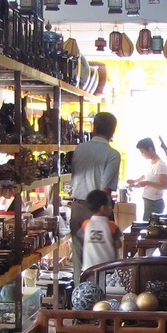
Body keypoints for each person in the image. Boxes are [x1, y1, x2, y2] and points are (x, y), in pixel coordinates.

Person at [69, 112, 121, 282]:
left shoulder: (79, 148)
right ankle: (100, 294)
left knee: (79, 259)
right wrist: (106, 214)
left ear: (93, 128)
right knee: (102, 258)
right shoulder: (112, 154)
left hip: (77, 208)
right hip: (97, 210)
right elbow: (105, 189)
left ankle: (79, 293)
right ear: (113, 131)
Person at [76, 189, 121, 275]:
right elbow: (118, 244)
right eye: (109, 205)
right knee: (106, 284)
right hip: (107, 267)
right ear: (103, 208)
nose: (111, 208)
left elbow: (81, 239)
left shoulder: (85, 224)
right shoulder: (112, 226)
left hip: (89, 268)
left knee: (91, 283)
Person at [127, 137, 167, 221]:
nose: (142, 154)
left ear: (150, 149)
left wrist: (146, 183)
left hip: (154, 203)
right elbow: (146, 175)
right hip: (148, 200)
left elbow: (164, 185)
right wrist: (136, 181)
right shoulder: (150, 162)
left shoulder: (160, 165)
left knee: (148, 225)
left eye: (142, 152)